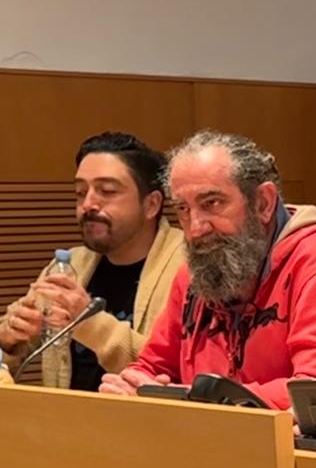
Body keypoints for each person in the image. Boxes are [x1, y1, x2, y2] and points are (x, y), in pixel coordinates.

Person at [99, 131, 316, 408]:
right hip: (210, 446)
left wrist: (192, 401)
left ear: (262, 203)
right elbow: (152, 366)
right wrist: (130, 387)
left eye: (211, 203)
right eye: (183, 210)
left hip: (306, 454)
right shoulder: (194, 273)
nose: (196, 229)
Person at [0, 132, 185, 389]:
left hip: (145, 425)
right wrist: (10, 341)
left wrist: (89, 322)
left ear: (152, 204)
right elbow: (11, 360)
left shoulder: (188, 267)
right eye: (80, 192)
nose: (88, 204)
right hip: (65, 420)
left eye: (107, 191)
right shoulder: (70, 263)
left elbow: (174, 372)